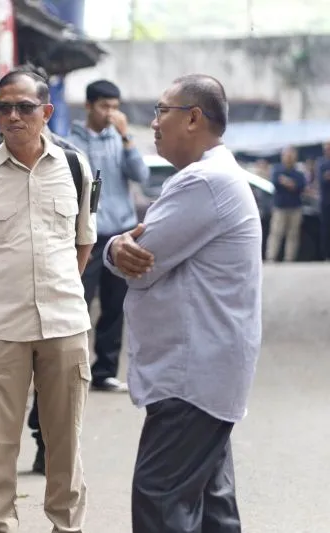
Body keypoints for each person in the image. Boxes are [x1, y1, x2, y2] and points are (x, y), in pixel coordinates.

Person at [0, 67, 96, 533]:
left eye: (25, 107)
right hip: (0, 328)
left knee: (64, 444)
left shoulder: (75, 166)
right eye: (4, 107)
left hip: (65, 323)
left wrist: (53, 284)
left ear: (46, 112)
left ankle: (66, 527)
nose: (13, 116)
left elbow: (82, 241)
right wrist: (1, 286)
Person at [105, 74, 261, 533]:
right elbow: (134, 253)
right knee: (211, 503)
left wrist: (115, 249)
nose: (153, 123)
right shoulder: (210, 178)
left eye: (161, 111)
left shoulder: (205, 182)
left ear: (193, 118)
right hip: (206, 370)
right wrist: (118, 247)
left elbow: (144, 260)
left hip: (192, 375)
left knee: (160, 500)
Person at [68, 79, 150, 393]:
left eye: (115, 107)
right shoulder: (70, 142)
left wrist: (127, 137)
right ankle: (72, 369)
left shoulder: (121, 140)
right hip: (85, 236)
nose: (110, 113)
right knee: (80, 303)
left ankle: (104, 371)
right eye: (104, 106)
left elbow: (141, 176)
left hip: (121, 233)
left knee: (116, 306)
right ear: (89, 106)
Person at [264, 146, 306, 262]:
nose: (289, 158)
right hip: (280, 207)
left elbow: (300, 186)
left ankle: (289, 258)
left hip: (295, 207)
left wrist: (287, 182)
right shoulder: (277, 170)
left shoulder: (298, 173)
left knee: (293, 234)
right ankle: (271, 256)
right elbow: (276, 182)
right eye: (287, 156)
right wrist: (289, 183)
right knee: (276, 233)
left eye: (291, 156)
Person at [315, 142, 330, 259]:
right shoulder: (321, 163)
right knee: (325, 228)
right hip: (325, 202)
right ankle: (325, 254)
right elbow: (322, 180)